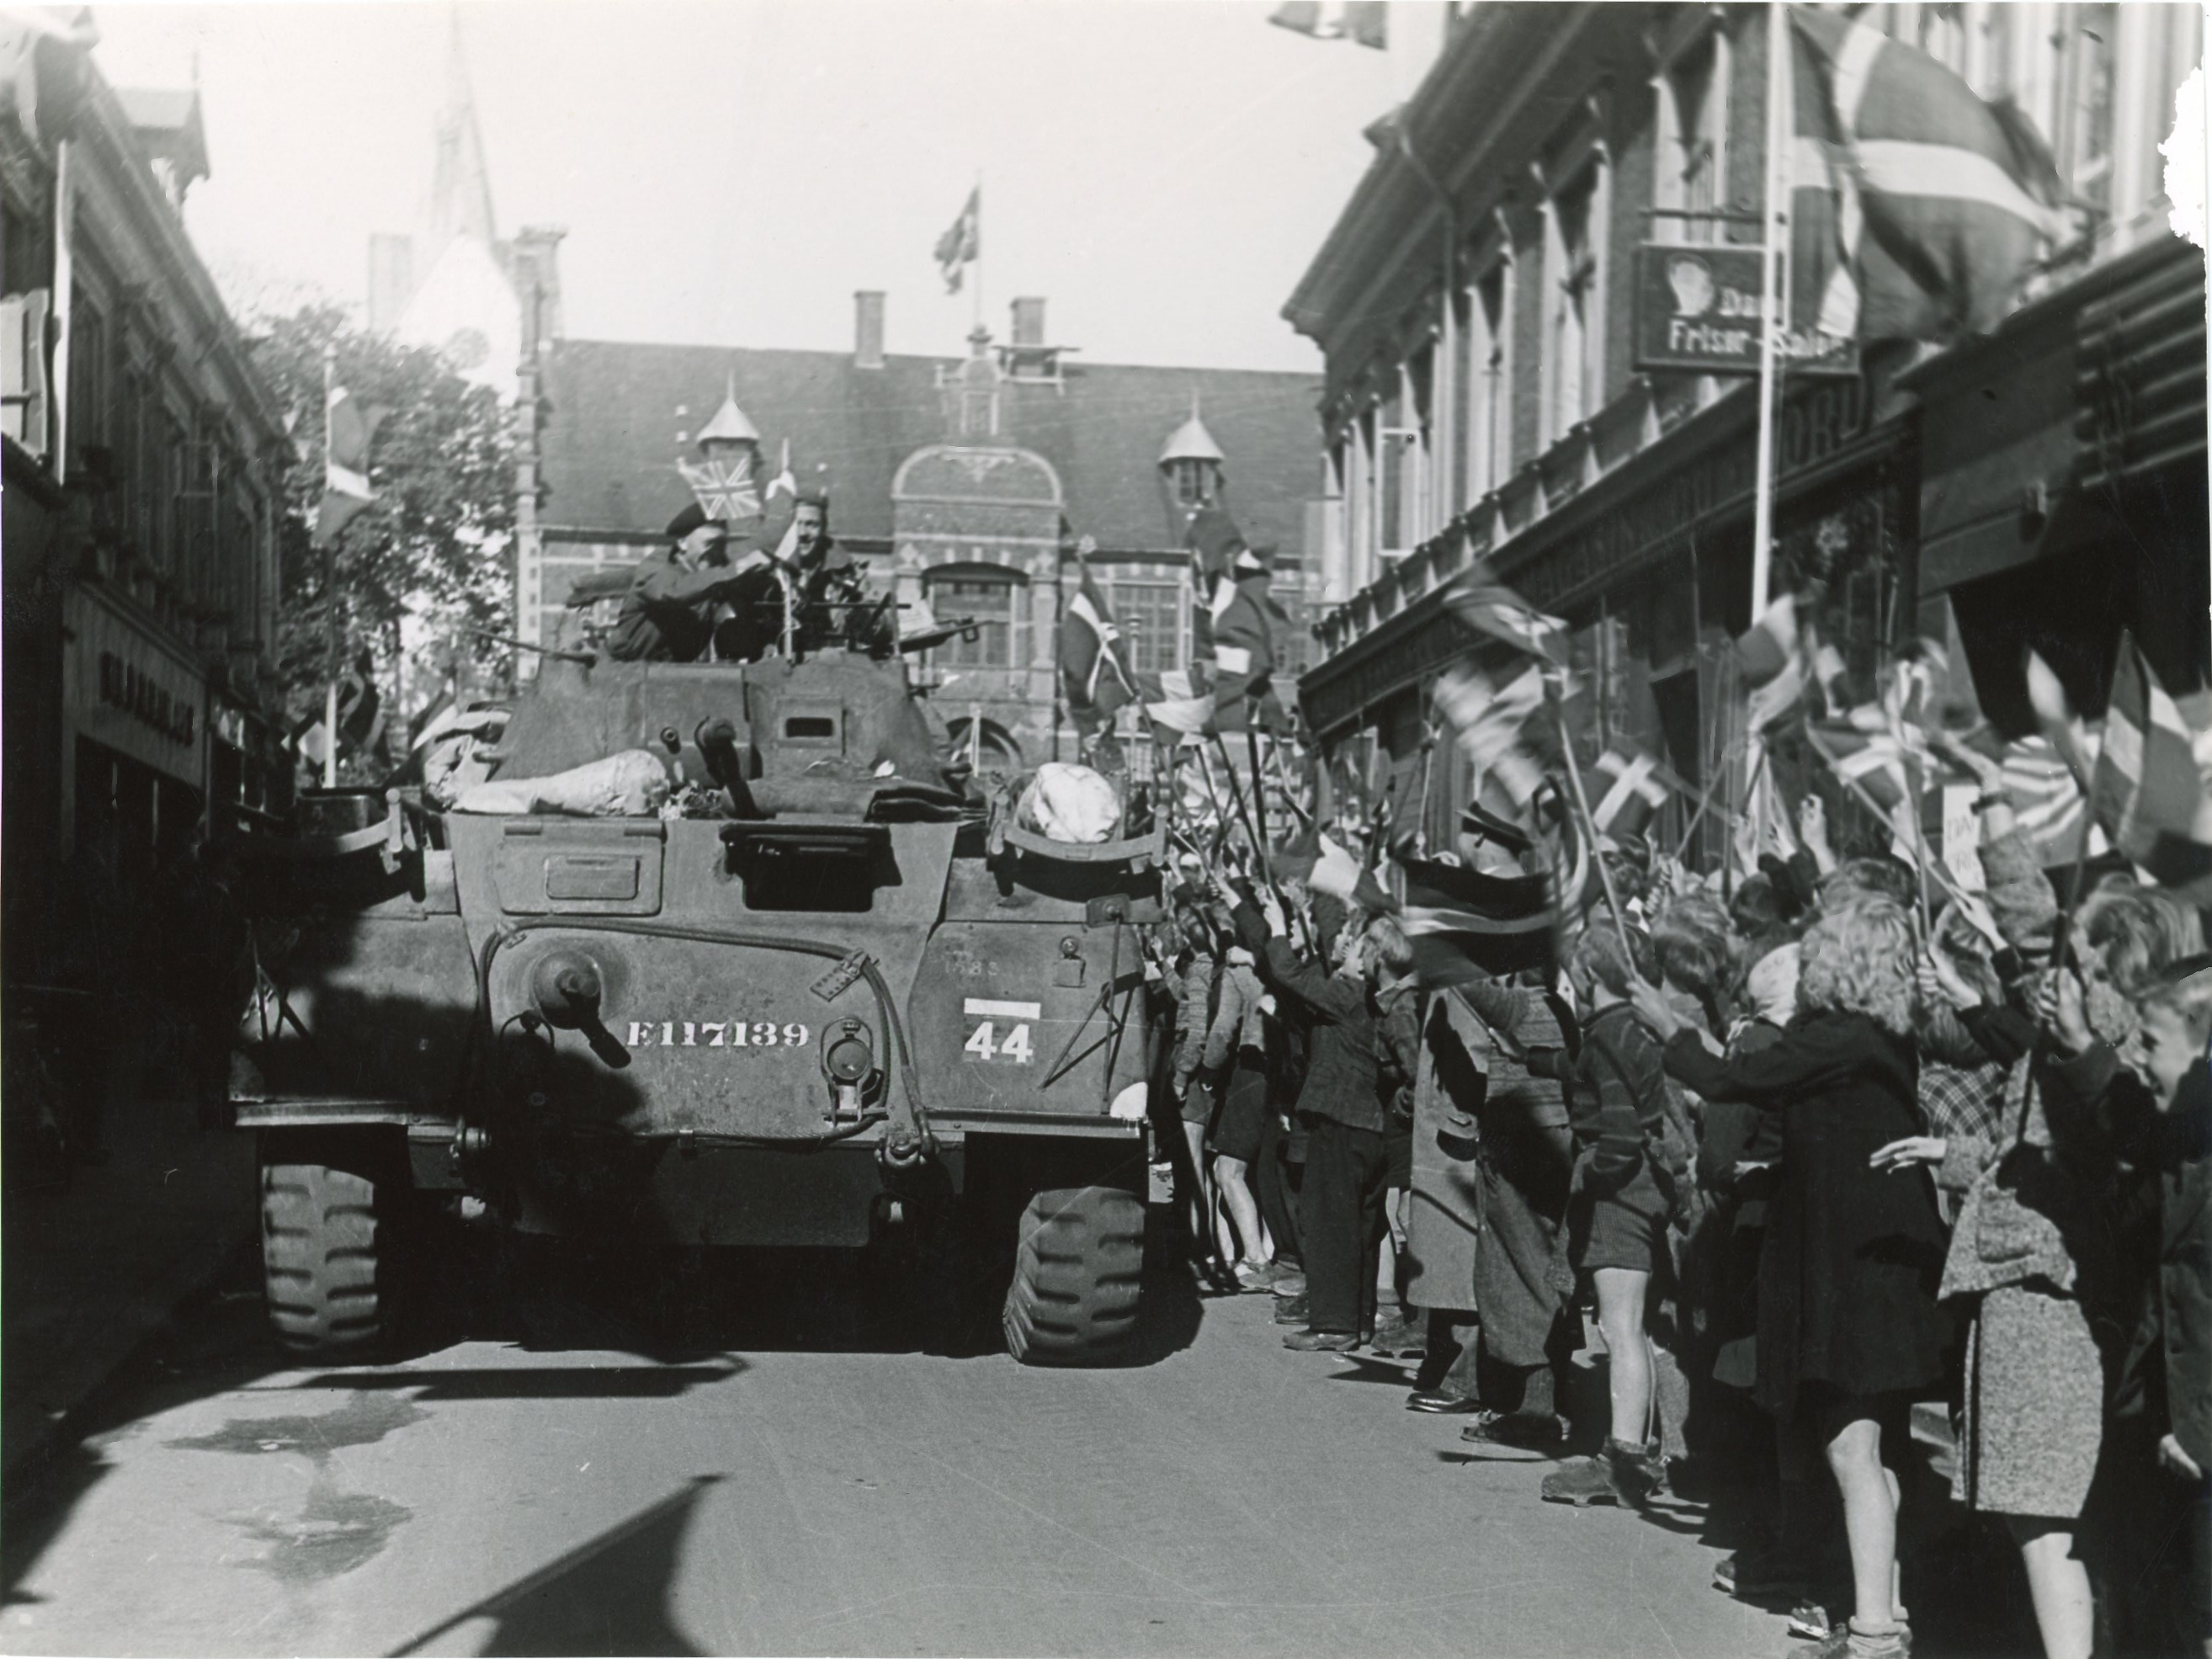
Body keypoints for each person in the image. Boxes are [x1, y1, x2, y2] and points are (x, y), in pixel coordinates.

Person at [1635, 900, 1949, 1659]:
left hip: (1854, 1270)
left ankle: (1873, 1632)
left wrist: (1659, 1019)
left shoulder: (1839, 1036)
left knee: (1851, 1451)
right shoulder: (1876, 1036)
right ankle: (1886, 1614)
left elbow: (1729, 1077)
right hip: (1880, 1264)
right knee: (1876, 1452)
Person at [1535, 923, 1678, 1508]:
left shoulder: (1610, 1034)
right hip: (1637, 1186)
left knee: (1620, 1327)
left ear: (1590, 974)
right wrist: (1547, 1061)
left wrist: (1591, 1177)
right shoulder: (1625, 1028)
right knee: (1629, 1327)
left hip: (1619, 1191)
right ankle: (1631, 1452)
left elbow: (1618, 1132)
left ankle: (1623, 1460)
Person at [1234, 890, 1388, 1353]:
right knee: (1358, 1227)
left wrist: (1280, 920)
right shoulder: (1370, 996)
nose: (1342, 948)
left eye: (1354, 946)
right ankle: (1355, 1320)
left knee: (1329, 1224)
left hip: (1340, 1122)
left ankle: (1334, 1325)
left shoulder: (1347, 995)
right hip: (1368, 1123)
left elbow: (1286, 970)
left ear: (1366, 963)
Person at [606, 507, 747, 662]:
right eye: (709, 543)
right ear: (682, 542)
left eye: (721, 545)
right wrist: (734, 570)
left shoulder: (717, 578)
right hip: (624, 668)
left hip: (674, 672)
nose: (714, 552)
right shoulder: (657, 566)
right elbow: (672, 591)